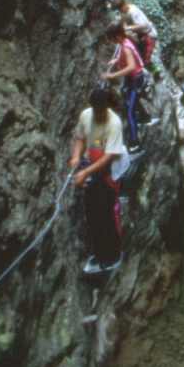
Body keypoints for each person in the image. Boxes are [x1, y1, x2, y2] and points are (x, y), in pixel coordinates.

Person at [69, 84, 129, 274]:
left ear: (106, 106)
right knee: (92, 212)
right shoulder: (86, 115)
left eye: (101, 109)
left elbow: (109, 157)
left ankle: (113, 254)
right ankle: (99, 251)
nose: (98, 113)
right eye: (96, 109)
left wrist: (85, 173)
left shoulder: (114, 123)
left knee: (107, 213)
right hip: (93, 165)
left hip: (111, 170)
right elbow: (80, 138)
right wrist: (76, 156)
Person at [102, 20, 147, 152]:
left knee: (130, 111)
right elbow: (125, 56)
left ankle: (135, 143)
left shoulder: (126, 46)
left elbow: (131, 66)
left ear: (117, 36)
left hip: (136, 79)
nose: (111, 41)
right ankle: (145, 116)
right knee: (128, 101)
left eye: (111, 39)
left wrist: (113, 75)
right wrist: (116, 60)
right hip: (131, 79)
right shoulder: (124, 42)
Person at [111, 0, 158, 67]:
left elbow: (144, 25)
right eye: (118, 9)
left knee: (145, 60)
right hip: (141, 36)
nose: (120, 11)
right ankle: (155, 72)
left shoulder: (133, 12)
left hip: (149, 35)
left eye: (120, 8)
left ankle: (157, 74)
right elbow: (122, 20)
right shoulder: (124, 12)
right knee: (141, 56)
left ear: (124, 4)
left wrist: (128, 28)